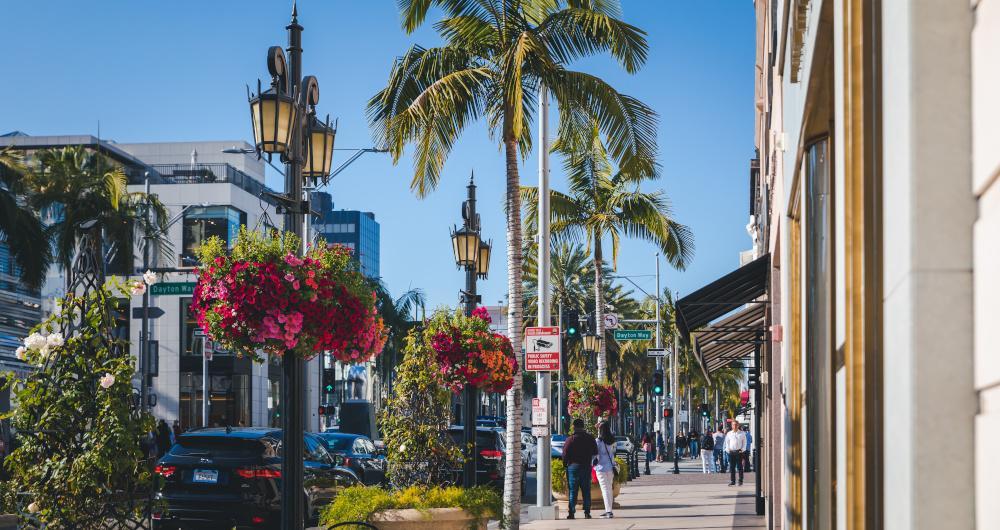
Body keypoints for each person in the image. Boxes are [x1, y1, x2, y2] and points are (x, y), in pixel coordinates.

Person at [562, 418, 598, 519]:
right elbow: (595, 452)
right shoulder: (590, 438)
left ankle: (571, 512)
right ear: (583, 426)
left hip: (573, 467)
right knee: (586, 490)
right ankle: (587, 512)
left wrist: (565, 464)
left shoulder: (570, 439)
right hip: (586, 467)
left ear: (574, 426)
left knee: (573, 491)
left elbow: (564, 454)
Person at [594, 421, 617, 519]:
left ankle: (608, 511)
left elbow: (595, 455)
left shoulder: (598, 441)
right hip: (610, 468)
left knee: (605, 489)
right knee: (609, 489)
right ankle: (609, 510)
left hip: (601, 468)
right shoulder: (613, 441)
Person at [724, 421, 747, 486]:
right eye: (733, 425)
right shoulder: (729, 433)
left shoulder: (742, 433)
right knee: (732, 467)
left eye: (736, 425)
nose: (735, 426)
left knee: (740, 467)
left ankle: (740, 481)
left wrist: (742, 450)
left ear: (738, 425)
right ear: (732, 426)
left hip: (739, 452)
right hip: (731, 452)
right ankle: (732, 481)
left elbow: (744, 443)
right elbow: (727, 442)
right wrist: (728, 450)